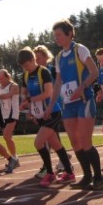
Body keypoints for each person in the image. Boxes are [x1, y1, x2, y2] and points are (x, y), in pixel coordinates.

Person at [44, 19, 103, 190]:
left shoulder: (80, 50)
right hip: (68, 104)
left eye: (59, 35)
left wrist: (82, 87)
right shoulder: (58, 57)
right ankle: (86, 176)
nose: (56, 38)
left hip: (84, 100)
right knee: (75, 142)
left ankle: (99, 178)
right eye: (54, 36)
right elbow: (57, 84)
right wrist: (50, 106)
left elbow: (94, 72)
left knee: (86, 141)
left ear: (69, 34)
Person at [17, 46, 75, 187]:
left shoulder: (44, 72)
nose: (26, 68)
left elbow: (48, 93)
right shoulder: (25, 75)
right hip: (40, 114)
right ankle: (69, 173)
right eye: (23, 67)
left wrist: (30, 100)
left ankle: (49, 173)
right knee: (56, 144)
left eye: (27, 65)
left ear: (33, 60)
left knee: (38, 142)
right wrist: (27, 105)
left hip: (52, 112)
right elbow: (24, 92)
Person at [34, 44, 71, 176]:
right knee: (52, 136)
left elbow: (61, 82)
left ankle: (49, 167)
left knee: (48, 136)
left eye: (38, 58)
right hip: (42, 109)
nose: (36, 61)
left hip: (55, 106)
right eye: (35, 58)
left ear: (45, 57)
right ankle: (64, 160)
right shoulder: (34, 73)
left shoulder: (51, 70)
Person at [0, 69, 21, 168]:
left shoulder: (14, 86)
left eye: (2, 78)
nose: (0, 80)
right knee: (8, 137)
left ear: (7, 76)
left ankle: (14, 158)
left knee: (6, 136)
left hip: (12, 113)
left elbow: (8, 95)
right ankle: (15, 159)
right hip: (3, 114)